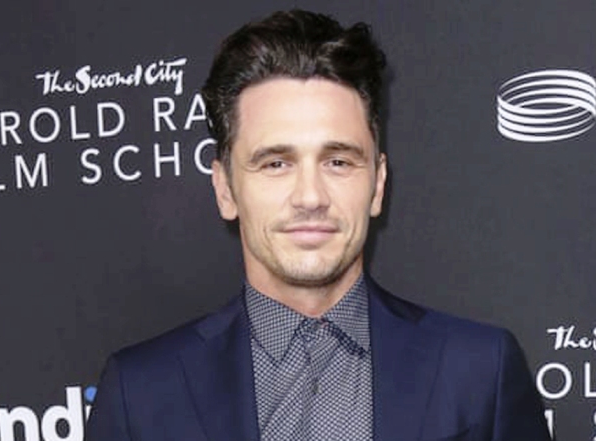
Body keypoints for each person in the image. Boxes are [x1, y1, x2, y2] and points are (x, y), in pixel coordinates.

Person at [86, 9, 551, 441]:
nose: (310, 197)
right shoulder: (140, 394)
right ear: (225, 188)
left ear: (378, 184)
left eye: (338, 161)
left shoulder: (479, 371)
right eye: (275, 164)